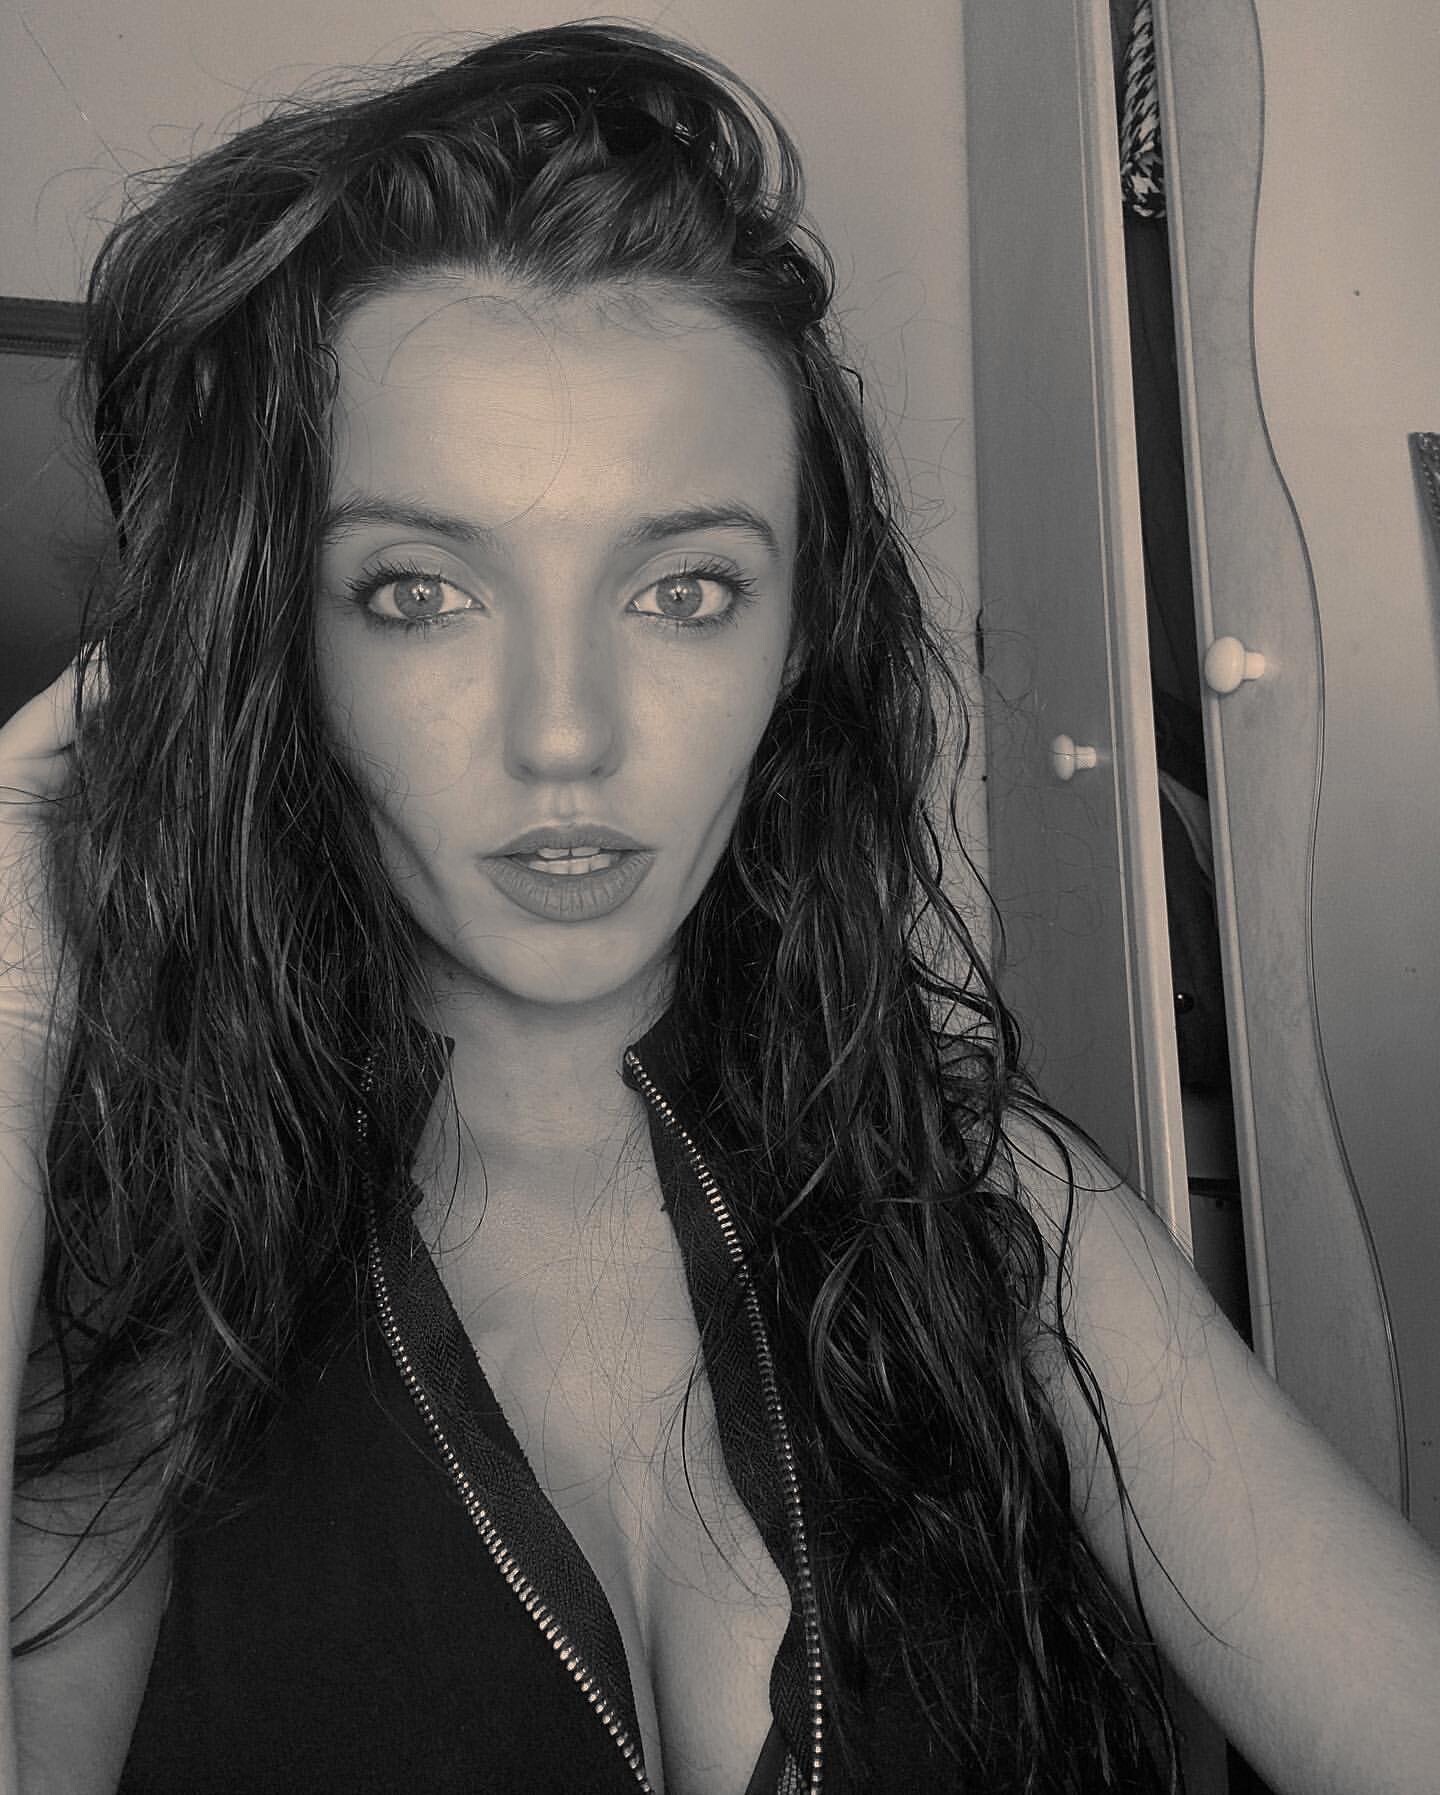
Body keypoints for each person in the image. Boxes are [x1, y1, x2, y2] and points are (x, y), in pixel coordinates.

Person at [1, 20, 1438, 1795]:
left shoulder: (987, 1206)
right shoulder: (126, 1283)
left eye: (682, 589)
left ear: (800, 637)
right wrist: (13, 1013)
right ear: (278, 648)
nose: (565, 736)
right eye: (419, 591)